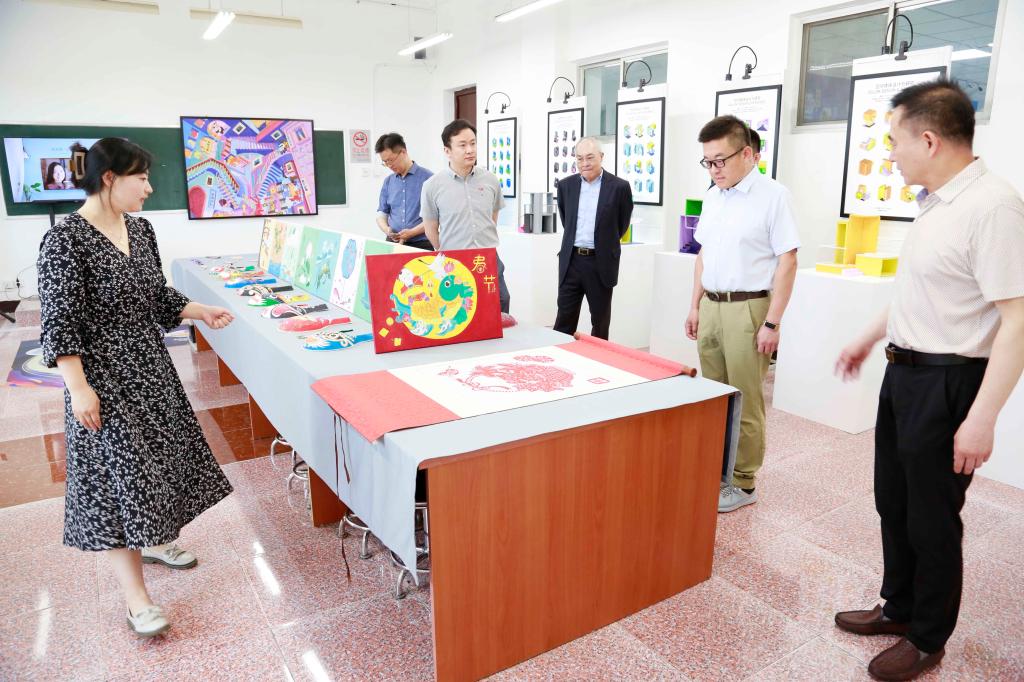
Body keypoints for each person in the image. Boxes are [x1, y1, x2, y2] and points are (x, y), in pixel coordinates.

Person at [833, 80, 1024, 682]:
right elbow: (918, 292)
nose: (889, 153)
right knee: (894, 502)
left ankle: (926, 637)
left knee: (932, 517)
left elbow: (1018, 318)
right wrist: (869, 338)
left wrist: (982, 418)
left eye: (894, 141)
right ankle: (899, 606)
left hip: (949, 384)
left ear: (930, 139)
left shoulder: (993, 207)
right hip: (904, 376)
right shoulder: (936, 204)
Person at [37, 138, 236, 638]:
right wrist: (79, 389)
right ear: (109, 178)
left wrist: (200, 310)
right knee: (118, 480)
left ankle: (156, 540)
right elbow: (60, 324)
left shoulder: (141, 230)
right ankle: (137, 600)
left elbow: (157, 297)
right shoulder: (65, 241)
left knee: (156, 465)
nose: (149, 188)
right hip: (102, 380)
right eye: (141, 178)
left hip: (150, 369)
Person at [684, 115, 800, 513]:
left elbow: (788, 261)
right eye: (708, 162)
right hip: (712, 305)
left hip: (749, 308)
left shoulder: (773, 196)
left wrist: (773, 322)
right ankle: (718, 470)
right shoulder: (714, 196)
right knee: (714, 396)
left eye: (721, 160)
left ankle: (744, 480)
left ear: (747, 154)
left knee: (745, 399)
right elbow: (703, 254)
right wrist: (695, 304)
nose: (714, 169)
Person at [420, 118, 510, 313]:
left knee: (500, 302)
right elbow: (430, 229)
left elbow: (492, 218)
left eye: (473, 143)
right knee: (460, 311)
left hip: (487, 257)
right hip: (455, 261)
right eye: (462, 145)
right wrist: (447, 250)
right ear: (447, 151)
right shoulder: (432, 186)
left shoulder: (490, 180)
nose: (470, 150)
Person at [553, 137, 633, 339]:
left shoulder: (619, 187)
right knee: (563, 319)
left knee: (600, 321)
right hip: (571, 261)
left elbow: (621, 225)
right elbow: (566, 220)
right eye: (579, 158)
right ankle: (560, 355)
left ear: (601, 157)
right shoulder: (566, 186)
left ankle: (598, 357)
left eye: (590, 157)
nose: (584, 163)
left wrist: (604, 242)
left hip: (600, 262)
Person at [374, 132, 434, 250]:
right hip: (393, 243)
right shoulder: (388, 181)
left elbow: (435, 217)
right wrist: (387, 230)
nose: (389, 165)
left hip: (421, 244)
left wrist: (412, 232)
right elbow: (382, 214)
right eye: (385, 162)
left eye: (391, 160)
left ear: (403, 152)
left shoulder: (428, 178)